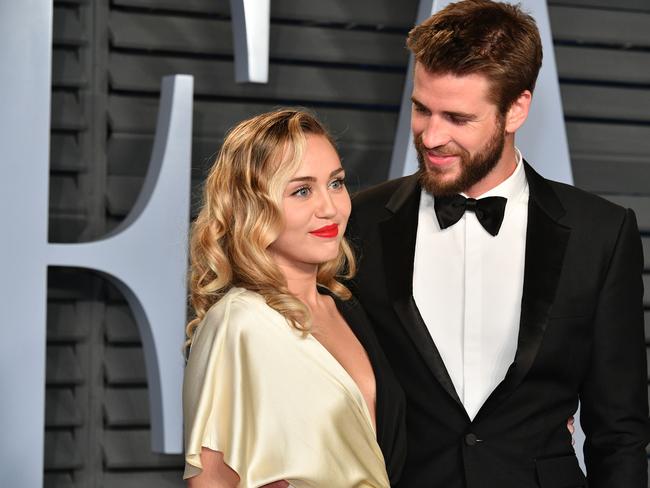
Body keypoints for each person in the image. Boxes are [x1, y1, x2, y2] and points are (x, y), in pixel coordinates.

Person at [348, 1, 649, 487]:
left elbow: (620, 431)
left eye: (458, 118)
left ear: (516, 110)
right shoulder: (358, 220)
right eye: (422, 109)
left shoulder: (600, 233)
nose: (431, 135)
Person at [182, 109, 406, 487]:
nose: (330, 208)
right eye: (302, 190)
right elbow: (211, 481)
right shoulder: (238, 323)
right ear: (251, 206)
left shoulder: (349, 308)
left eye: (335, 184)